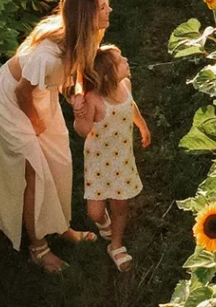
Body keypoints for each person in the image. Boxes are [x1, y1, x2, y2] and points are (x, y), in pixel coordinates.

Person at [0, 0, 111, 273]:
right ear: (87, 18)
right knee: (35, 172)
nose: (110, 10)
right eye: (104, 6)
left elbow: (75, 71)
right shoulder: (47, 57)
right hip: (12, 102)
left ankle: (61, 227)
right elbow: (21, 93)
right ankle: (38, 248)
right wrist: (35, 123)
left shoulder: (81, 39)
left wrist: (76, 93)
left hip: (38, 97)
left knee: (59, 161)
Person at [73, 44, 151, 272]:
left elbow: (132, 107)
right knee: (94, 212)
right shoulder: (94, 100)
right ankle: (104, 223)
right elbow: (83, 130)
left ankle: (116, 244)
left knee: (120, 205)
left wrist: (142, 127)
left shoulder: (125, 85)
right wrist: (79, 114)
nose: (126, 59)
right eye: (120, 60)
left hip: (122, 160)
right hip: (98, 162)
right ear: (108, 75)